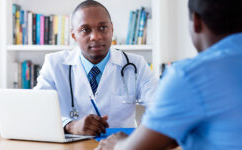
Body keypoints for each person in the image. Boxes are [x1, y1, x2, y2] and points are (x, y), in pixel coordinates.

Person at [95, 0, 242, 149]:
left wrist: (117, 143)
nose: (95, 37)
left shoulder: (190, 75)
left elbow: (134, 148)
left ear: (196, 22)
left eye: (102, 27)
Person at [34, 0, 157, 136]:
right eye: (85, 30)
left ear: (112, 28)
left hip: (121, 145)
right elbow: (38, 110)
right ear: (74, 35)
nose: (96, 36)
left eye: (102, 28)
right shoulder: (54, 64)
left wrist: (143, 131)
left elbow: (160, 105)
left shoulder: (135, 64)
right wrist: (70, 125)